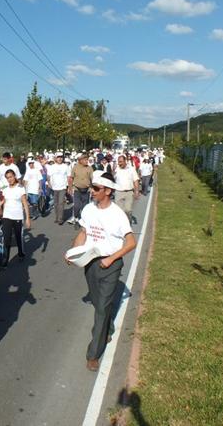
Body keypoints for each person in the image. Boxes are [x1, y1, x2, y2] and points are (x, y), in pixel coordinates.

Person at [66, 173, 136, 371]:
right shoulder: (88, 209)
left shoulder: (117, 215)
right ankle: (108, 327)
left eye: (96, 188)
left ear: (108, 191)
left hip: (110, 265)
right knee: (99, 303)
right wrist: (72, 252)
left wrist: (111, 258)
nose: (92, 191)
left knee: (102, 308)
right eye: (92, 187)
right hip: (91, 263)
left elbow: (131, 243)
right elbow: (83, 233)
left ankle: (93, 354)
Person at [0, 169, 31, 268]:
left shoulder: (20, 188)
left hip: (17, 216)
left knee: (18, 236)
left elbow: (25, 203)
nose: (9, 179)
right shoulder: (5, 189)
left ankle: (21, 252)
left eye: (11, 177)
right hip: (7, 216)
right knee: (7, 238)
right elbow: (3, 201)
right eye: (7, 178)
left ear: (15, 176)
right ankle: (6, 259)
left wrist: (27, 218)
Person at [69, 153, 93, 227]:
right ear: (80, 160)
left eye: (87, 159)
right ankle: (75, 217)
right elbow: (71, 178)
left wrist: (92, 188)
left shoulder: (89, 168)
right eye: (85, 160)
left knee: (85, 207)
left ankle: (83, 220)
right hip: (77, 189)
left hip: (86, 190)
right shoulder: (75, 167)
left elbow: (92, 179)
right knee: (76, 205)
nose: (87, 161)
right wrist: (70, 188)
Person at [113, 155, 140, 222]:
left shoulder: (131, 169)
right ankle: (122, 225)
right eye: (118, 162)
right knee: (119, 211)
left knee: (128, 210)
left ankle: (128, 222)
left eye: (121, 162)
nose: (119, 163)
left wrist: (136, 191)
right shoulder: (116, 169)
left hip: (129, 192)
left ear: (125, 161)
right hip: (118, 192)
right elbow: (112, 179)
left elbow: (136, 180)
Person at [47, 153, 70, 224]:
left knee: (61, 203)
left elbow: (68, 177)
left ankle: (60, 219)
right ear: (55, 158)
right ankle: (57, 217)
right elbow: (48, 176)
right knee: (56, 203)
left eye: (61, 157)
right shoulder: (52, 167)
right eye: (58, 157)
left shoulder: (65, 166)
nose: (59, 159)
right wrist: (49, 183)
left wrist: (69, 186)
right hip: (54, 187)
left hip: (62, 187)